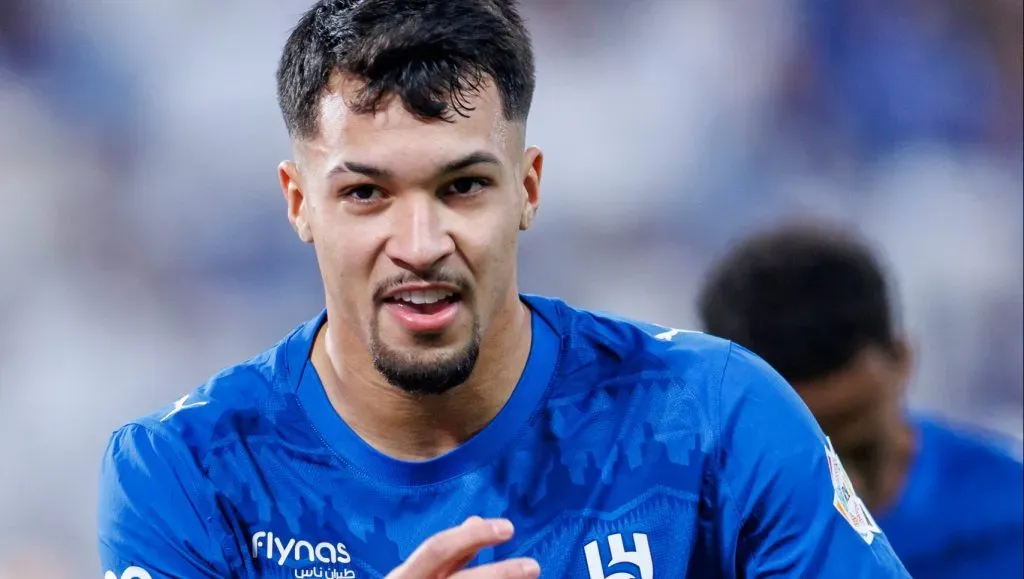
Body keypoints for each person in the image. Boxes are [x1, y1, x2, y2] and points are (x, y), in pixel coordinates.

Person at [97, 1, 910, 577]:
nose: (419, 246)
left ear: (527, 188)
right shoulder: (191, 475)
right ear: (299, 201)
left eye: (462, 187)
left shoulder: (714, 419)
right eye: (366, 194)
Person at [698, 223, 1024, 578]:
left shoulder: (1009, 514)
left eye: (852, 422)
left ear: (901, 358)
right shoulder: (676, 537)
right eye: (795, 437)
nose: (838, 472)